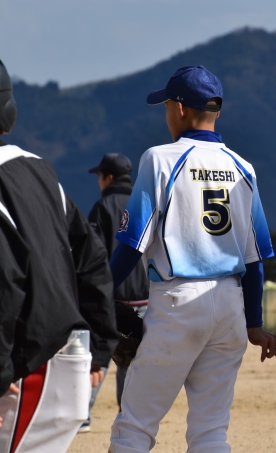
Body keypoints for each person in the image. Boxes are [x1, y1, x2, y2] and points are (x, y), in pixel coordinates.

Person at [108, 65, 276, 452]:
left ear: (178, 108)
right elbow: (255, 261)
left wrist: (98, 294)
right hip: (230, 307)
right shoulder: (243, 168)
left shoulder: (160, 159)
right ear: (216, 111)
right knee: (210, 432)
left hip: (178, 302)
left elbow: (132, 245)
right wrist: (255, 324)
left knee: (135, 426)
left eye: (166, 106)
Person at [0, 59, 118, 452]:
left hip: (25, 371)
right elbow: (92, 260)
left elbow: (5, 281)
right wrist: (99, 348)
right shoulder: (39, 170)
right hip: (62, 360)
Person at [80, 153, 150, 433]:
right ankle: (129, 416)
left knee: (99, 354)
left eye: (99, 176)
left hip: (113, 295)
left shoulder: (102, 207)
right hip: (145, 294)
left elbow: (93, 254)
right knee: (133, 361)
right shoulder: (145, 202)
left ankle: (83, 416)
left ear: (108, 177)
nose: (99, 181)